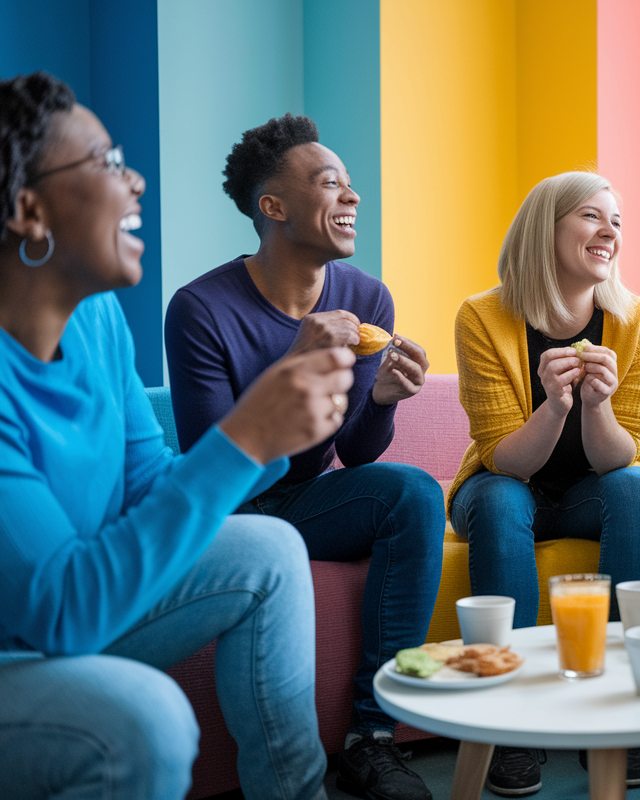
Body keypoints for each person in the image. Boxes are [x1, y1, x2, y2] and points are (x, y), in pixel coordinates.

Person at [0, 71, 355, 800]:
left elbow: (150, 486)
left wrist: (273, 431)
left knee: (272, 549)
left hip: (50, 623)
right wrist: (245, 437)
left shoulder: (94, 321)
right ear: (28, 211)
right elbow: (64, 608)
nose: (134, 181)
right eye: (105, 162)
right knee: (142, 721)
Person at [164, 115, 444, 800]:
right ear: (274, 206)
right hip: (234, 508)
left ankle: (372, 738)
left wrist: (379, 399)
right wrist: (300, 361)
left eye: (352, 187)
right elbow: (216, 465)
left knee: (410, 493)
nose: (352, 198)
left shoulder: (366, 298)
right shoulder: (200, 308)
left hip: (304, 498)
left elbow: (355, 451)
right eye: (330, 184)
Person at [448, 171, 640, 796]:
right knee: (496, 497)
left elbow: (619, 459)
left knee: (637, 490)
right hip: (504, 484)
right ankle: (511, 717)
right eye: (592, 217)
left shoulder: (637, 323)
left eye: (617, 221)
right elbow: (502, 458)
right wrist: (553, 405)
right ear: (547, 229)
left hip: (586, 493)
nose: (610, 232)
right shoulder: (483, 317)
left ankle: (625, 709)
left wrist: (596, 406)